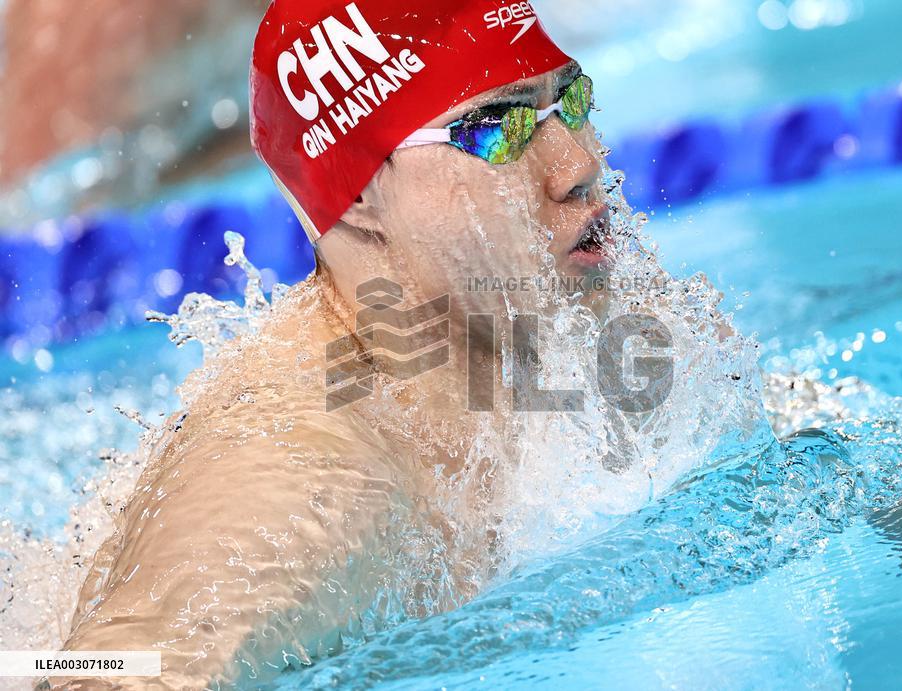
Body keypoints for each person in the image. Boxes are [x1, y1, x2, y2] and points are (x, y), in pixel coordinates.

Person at [49, 1, 664, 688]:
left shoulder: (568, 341)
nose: (577, 162)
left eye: (569, 99)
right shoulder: (307, 472)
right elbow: (107, 669)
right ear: (359, 191)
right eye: (497, 128)